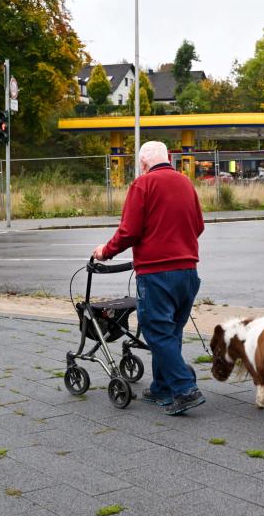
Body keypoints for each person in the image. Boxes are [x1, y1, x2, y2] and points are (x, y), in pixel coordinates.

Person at [93, 140, 206, 416]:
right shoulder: (186, 184)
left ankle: (184, 388)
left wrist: (104, 252)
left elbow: (129, 231)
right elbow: (199, 226)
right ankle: (161, 387)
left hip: (157, 273)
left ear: (143, 164)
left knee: (156, 331)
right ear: (168, 158)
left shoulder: (143, 185)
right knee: (172, 331)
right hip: (188, 272)